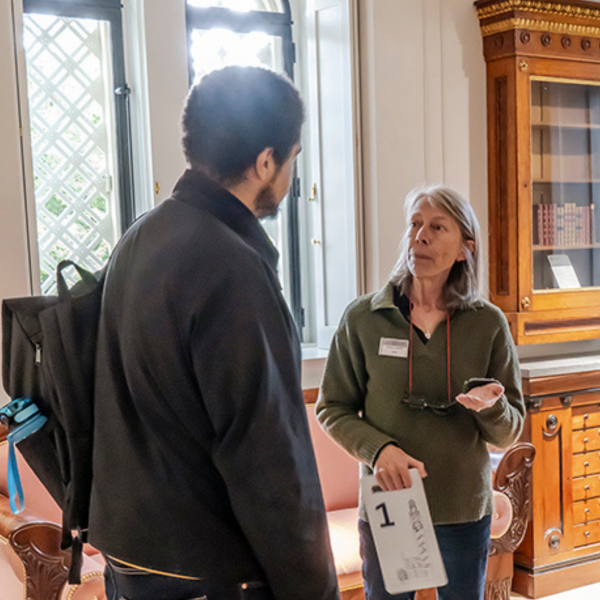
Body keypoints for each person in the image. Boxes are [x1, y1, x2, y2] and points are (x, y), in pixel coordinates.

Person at [88, 66, 340, 600]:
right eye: (293, 158)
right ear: (265, 161)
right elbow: (269, 460)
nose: (292, 176)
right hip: (211, 571)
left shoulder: (140, 238)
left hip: (132, 560)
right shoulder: (232, 268)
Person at [316, 184, 525, 600]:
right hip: (390, 505)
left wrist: (491, 408)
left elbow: (508, 432)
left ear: (465, 249)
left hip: (463, 507)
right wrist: (378, 450)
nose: (420, 236)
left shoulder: (489, 324)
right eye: (414, 224)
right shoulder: (363, 318)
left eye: (436, 227)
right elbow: (332, 408)